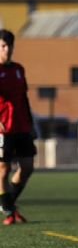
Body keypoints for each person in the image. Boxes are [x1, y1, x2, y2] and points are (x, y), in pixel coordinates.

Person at [0, 29, 36, 226]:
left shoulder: (18, 69)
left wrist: (30, 123)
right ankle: (9, 212)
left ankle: (8, 205)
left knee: (28, 167)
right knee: (3, 169)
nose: (7, 50)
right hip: (3, 129)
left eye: (9, 46)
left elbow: (24, 97)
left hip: (22, 125)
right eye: (3, 46)